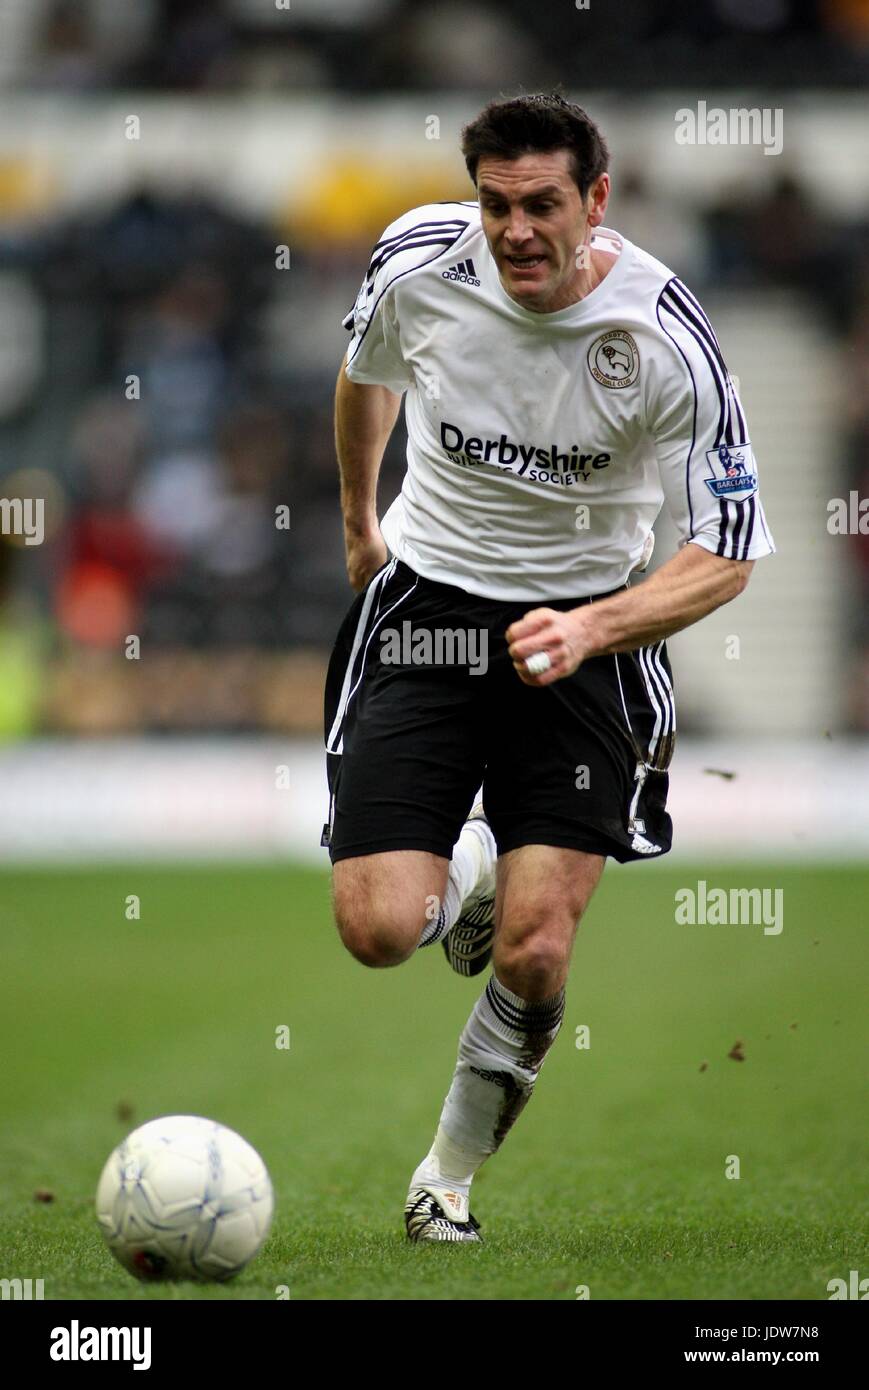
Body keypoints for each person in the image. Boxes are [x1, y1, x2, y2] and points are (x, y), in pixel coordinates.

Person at [323, 92, 775, 1242]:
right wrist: (358, 520)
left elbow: (725, 554)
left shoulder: (664, 334)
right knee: (379, 928)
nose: (514, 230)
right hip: (427, 609)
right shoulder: (417, 265)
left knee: (532, 946)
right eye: (493, 204)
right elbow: (364, 372)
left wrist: (591, 625)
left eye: (541, 205)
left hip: (583, 640)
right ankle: (464, 867)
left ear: (596, 201)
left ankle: (444, 1183)